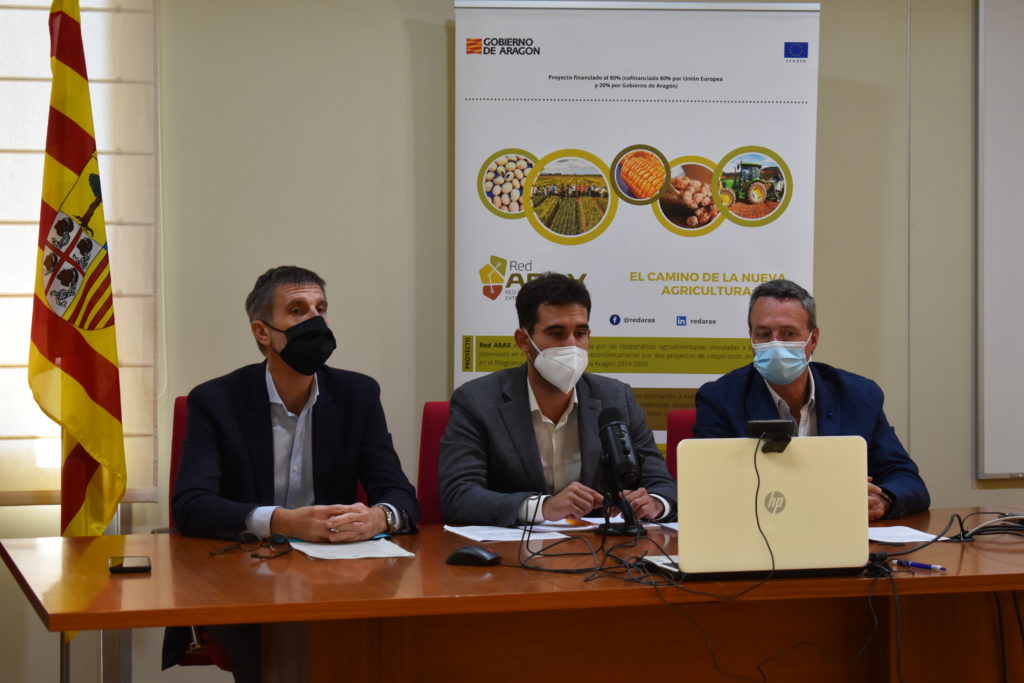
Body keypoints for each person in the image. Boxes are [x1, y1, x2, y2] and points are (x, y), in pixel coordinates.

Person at [164, 265, 418, 681]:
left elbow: (398, 492)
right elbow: (192, 506)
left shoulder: (358, 394)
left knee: (387, 636)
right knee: (277, 648)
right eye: (297, 310)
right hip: (247, 577)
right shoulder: (215, 400)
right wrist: (281, 521)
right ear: (263, 332)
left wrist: (379, 516)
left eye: (320, 309)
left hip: (339, 574)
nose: (314, 321)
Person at [439, 272, 676, 527]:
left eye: (580, 333)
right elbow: (459, 497)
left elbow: (662, 484)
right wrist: (544, 507)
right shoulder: (477, 401)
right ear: (523, 340)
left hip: (601, 554)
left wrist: (655, 503)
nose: (572, 345)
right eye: (557, 333)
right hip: (511, 555)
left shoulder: (616, 398)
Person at [694, 278, 929, 520]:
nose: (776, 343)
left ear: (813, 339)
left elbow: (906, 479)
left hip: (839, 534)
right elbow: (710, 487)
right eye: (764, 334)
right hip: (760, 533)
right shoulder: (720, 399)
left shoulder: (859, 396)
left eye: (788, 333)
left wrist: (883, 499)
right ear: (751, 340)